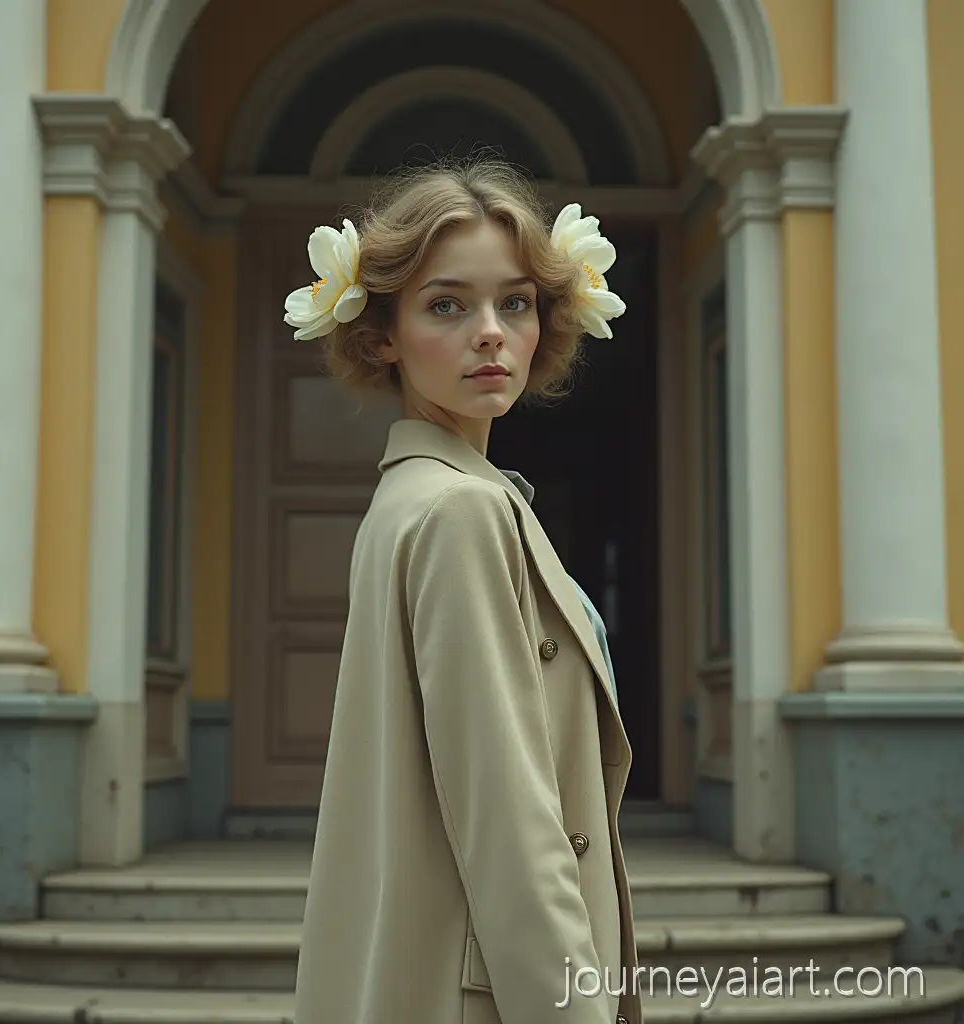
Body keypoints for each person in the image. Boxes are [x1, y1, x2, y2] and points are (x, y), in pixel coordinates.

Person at [285, 158, 641, 1024]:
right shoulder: (459, 512)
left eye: (514, 302)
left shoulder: (412, 497)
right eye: (448, 304)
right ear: (381, 334)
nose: (491, 331)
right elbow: (513, 828)